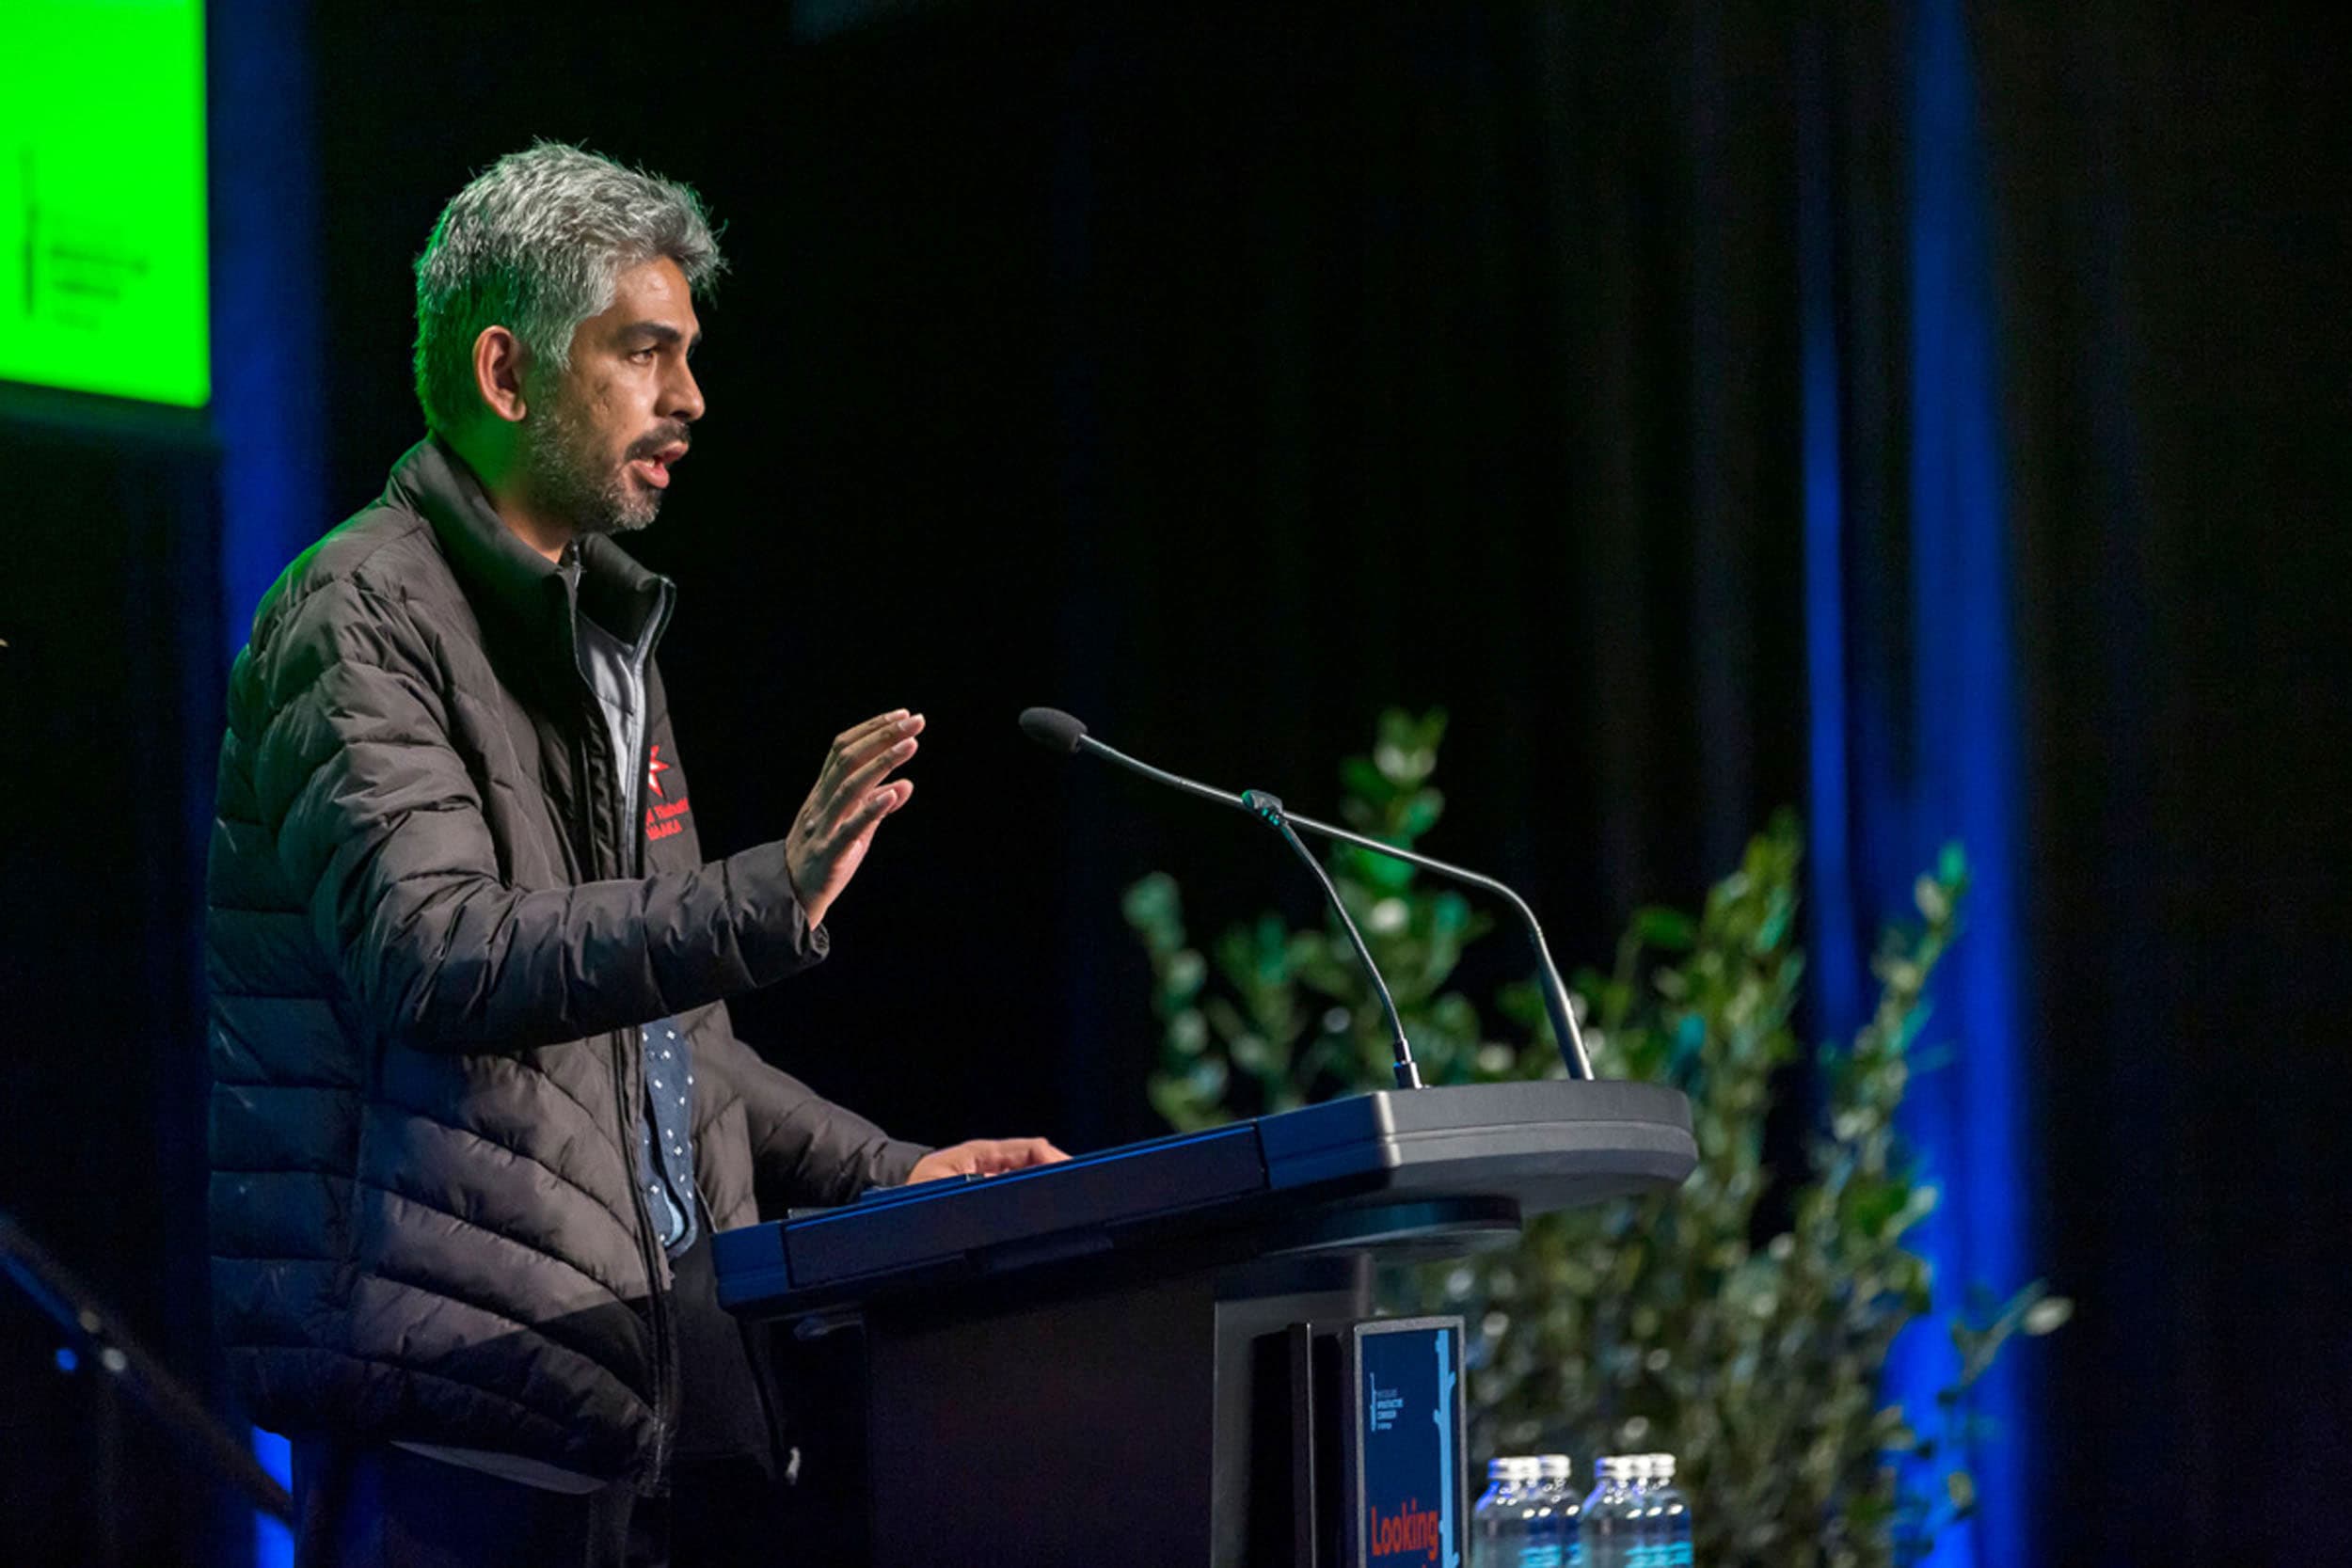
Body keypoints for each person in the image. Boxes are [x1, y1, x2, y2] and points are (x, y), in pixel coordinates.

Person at [204, 141, 1066, 1567]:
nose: (689, 400)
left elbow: (654, 1047)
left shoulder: (604, 635)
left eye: (689, 356)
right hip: (465, 1421)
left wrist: (884, 1172)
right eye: (645, 353)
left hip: (655, 1406)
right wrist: (760, 894)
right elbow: (437, 957)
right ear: (506, 374)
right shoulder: (353, 618)